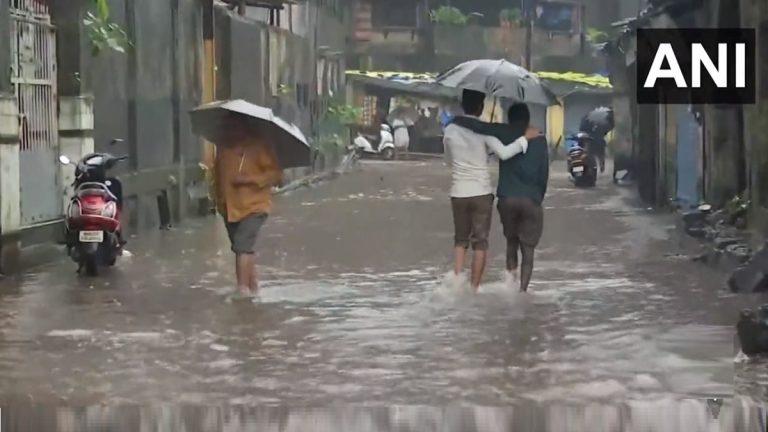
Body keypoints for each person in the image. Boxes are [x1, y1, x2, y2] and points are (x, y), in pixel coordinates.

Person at [443, 90, 538, 291]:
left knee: (460, 240)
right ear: (481, 106)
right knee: (480, 243)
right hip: (481, 193)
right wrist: (525, 139)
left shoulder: (450, 129)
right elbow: (504, 154)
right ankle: (474, 289)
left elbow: (448, 160)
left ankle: (457, 282)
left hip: (458, 191)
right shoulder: (484, 130)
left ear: (463, 104)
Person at [214, 113, 283, 298]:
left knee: (243, 246)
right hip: (229, 207)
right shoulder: (222, 149)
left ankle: (242, 289)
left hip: (254, 206)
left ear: (244, 127)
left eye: (234, 127)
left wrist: (250, 180)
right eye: (227, 127)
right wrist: (218, 201)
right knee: (241, 247)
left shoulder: (258, 147)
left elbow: (275, 175)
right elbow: (217, 177)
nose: (231, 131)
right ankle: (253, 287)